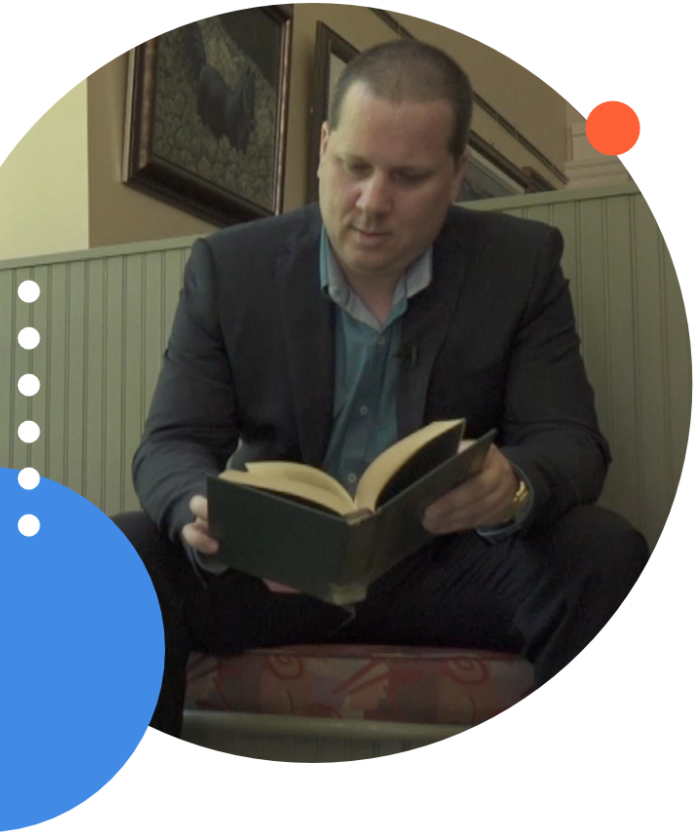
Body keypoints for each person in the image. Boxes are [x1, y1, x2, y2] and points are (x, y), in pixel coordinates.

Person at [112, 39, 649, 739]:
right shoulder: (230, 267)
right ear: (323, 148)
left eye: (409, 177)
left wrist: (514, 487)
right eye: (354, 166)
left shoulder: (521, 265)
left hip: (445, 566)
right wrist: (200, 511)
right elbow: (173, 441)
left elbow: (569, 440)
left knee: (602, 551)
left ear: (456, 175)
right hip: (272, 573)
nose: (371, 202)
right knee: (120, 555)